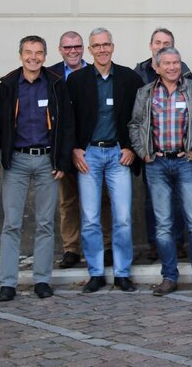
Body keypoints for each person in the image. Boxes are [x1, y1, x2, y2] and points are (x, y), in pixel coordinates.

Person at [0, 36, 73, 302]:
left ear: (45, 56)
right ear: (20, 55)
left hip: (47, 161)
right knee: (11, 224)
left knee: (45, 223)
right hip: (17, 162)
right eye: (28, 52)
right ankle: (7, 283)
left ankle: (42, 281)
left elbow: (67, 125)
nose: (33, 57)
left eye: (38, 53)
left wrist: (62, 162)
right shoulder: (7, 85)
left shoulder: (55, 84)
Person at [129, 46, 192, 296]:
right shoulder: (145, 93)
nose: (172, 67)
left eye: (176, 62)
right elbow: (135, 125)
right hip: (156, 164)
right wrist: (143, 152)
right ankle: (169, 277)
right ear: (156, 67)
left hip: (186, 162)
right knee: (164, 225)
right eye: (166, 63)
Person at [68, 28, 143, 293]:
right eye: (97, 46)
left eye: (106, 44)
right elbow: (68, 120)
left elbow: (139, 117)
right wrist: (74, 149)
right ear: (90, 50)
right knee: (90, 218)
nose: (102, 50)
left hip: (118, 155)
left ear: (113, 46)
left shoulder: (128, 78)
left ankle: (122, 273)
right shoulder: (76, 80)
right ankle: (96, 272)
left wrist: (132, 148)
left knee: (122, 217)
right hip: (88, 155)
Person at [48, 31, 112, 270]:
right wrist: (68, 149)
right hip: (65, 148)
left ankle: (107, 246)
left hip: (94, 147)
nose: (72, 51)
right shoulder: (51, 75)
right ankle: (71, 248)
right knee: (68, 200)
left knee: (103, 199)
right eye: (67, 47)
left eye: (77, 46)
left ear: (84, 48)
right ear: (60, 50)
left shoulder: (95, 72)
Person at [134, 27, 187, 261]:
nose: (161, 46)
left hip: (181, 153)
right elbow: (134, 118)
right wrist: (142, 150)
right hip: (153, 152)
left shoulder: (185, 73)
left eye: (167, 43)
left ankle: (178, 241)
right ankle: (155, 243)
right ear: (150, 46)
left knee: (178, 199)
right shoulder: (139, 74)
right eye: (158, 42)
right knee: (151, 201)